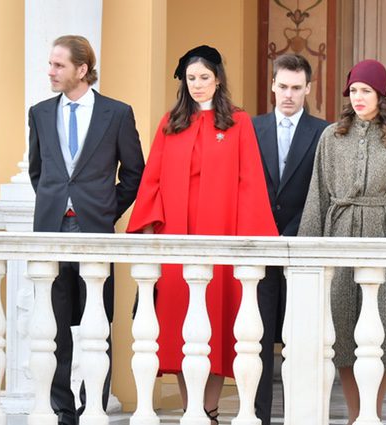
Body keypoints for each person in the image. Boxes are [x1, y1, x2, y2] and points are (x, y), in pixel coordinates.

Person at [126, 45, 277, 424]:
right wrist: (148, 233)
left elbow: (250, 183)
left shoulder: (238, 123)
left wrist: (248, 241)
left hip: (221, 242)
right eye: (191, 79)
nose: (197, 85)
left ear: (218, 79)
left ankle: (209, 410)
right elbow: (152, 183)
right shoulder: (169, 123)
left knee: (217, 327)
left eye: (204, 78)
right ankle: (188, 408)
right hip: (176, 245)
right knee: (178, 329)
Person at [298, 59, 386, 425]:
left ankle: (372, 413)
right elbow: (317, 195)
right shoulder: (331, 137)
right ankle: (355, 417)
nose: (358, 97)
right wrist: (311, 250)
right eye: (353, 91)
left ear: (380, 95)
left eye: (365, 91)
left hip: (380, 234)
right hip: (338, 234)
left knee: (380, 334)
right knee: (342, 338)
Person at [28, 35, 145, 425]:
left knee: (97, 320)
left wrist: (106, 208)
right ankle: (63, 409)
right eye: (50, 64)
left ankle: (91, 401)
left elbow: (134, 172)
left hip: (96, 228)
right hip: (51, 230)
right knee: (55, 323)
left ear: (82, 69)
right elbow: (38, 172)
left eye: (58, 65)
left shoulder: (117, 113)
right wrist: (57, 205)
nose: (50, 71)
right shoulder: (40, 113)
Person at [251, 53, 328, 425]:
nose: (288, 95)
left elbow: (323, 190)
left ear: (308, 89)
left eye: (296, 88)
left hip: (304, 247)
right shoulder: (250, 128)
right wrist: (264, 229)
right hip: (259, 247)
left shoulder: (324, 132)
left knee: (302, 343)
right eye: (283, 86)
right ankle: (260, 416)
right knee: (258, 342)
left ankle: (302, 416)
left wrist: (296, 230)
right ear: (272, 85)